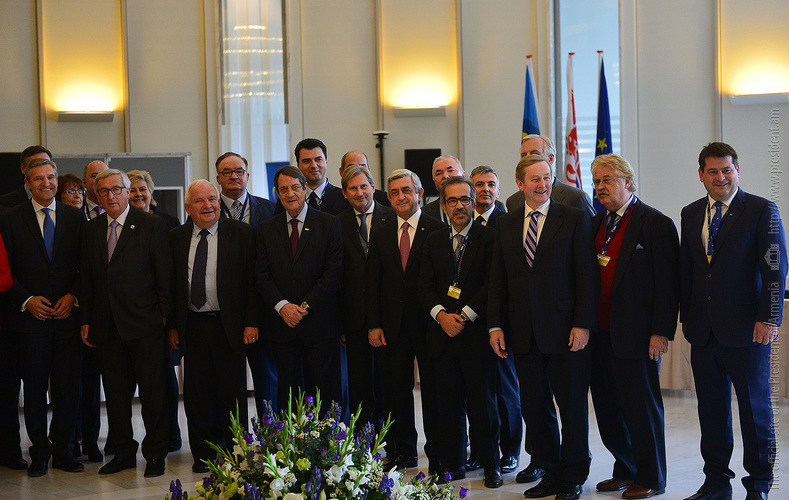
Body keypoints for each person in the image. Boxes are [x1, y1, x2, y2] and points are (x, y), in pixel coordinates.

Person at [680, 142, 787, 500]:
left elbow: (775, 270)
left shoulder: (761, 210)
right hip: (704, 332)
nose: (721, 177)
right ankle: (716, 483)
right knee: (711, 412)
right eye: (713, 171)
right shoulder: (690, 213)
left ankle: (758, 485)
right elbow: (688, 271)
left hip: (748, 331)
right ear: (701, 175)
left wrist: (769, 318)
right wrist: (685, 318)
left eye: (727, 170)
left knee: (755, 412)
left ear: (737, 171)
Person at [488, 154, 598, 500]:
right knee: (536, 409)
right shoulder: (506, 223)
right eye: (534, 179)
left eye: (547, 177)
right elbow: (498, 279)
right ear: (520, 184)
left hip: (566, 333)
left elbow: (587, 277)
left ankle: (573, 476)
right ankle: (549, 472)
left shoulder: (574, 217)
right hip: (523, 333)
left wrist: (582, 324)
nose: (542, 184)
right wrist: (495, 326)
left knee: (572, 408)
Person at [589, 154, 678, 499]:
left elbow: (668, 285)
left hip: (637, 336)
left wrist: (661, 332)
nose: (600, 187)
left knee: (641, 409)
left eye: (607, 180)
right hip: (599, 334)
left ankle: (652, 477)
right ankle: (625, 468)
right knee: (608, 408)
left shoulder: (655, 223)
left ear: (627, 181)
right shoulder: (595, 223)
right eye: (596, 181)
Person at [80, 168, 173, 477]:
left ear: (127, 191)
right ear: (97, 195)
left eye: (116, 189)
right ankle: (123, 453)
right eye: (103, 191)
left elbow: (165, 276)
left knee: (152, 395)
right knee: (117, 397)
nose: (111, 196)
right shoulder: (91, 229)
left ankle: (156, 455)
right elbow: (88, 279)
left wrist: (162, 316)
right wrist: (87, 320)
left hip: (145, 326)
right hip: (107, 328)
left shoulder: (150, 224)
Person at [0, 158, 84, 477]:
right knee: (35, 390)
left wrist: (73, 296)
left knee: (66, 388)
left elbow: (86, 266)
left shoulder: (75, 217)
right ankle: (39, 452)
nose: (46, 183)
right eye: (38, 178)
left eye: (50, 177)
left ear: (57, 180)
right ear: (27, 183)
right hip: (29, 321)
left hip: (67, 318)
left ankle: (63, 450)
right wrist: (26, 300)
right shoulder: (10, 219)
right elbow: (5, 269)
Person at [169, 180, 259, 474]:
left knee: (232, 393)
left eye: (211, 199)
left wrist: (251, 322)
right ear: (188, 208)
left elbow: (252, 283)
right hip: (193, 325)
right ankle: (203, 452)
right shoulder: (176, 237)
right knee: (197, 393)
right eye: (199, 201)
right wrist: (172, 326)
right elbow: (170, 286)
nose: (207, 205)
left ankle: (236, 451)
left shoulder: (242, 234)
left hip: (229, 325)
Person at [418, 176, 502, 488]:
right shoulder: (433, 239)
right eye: (452, 201)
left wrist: (464, 315)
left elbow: (493, 284)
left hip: (476, 336)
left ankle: (491, 465)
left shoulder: (490, 237)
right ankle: (453, 466)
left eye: (464, 199)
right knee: (448, 407)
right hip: (443, 337)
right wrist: (441, 316)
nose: (459, 206)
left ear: (473, 202)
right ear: (443, 206)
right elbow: (424, 286)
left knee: (484, 408)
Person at [366, 169, 445, 474]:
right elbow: (373, 283)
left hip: (429, 326)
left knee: (434, 393)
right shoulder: (381, 232)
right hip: (392, 328)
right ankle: (404, 451)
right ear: (388, 197)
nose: (401, 197)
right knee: (396, 393)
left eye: (407, 190)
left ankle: (437, 453)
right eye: (395, 192)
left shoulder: (437, 229)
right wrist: (374, 324)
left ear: (419, 193)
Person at [256, 166, 343, 411]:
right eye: (283, 189)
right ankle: (291, 436)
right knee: (288, 394)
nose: (290, 194)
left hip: (320, 324)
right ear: (276, 193)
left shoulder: (329, 224)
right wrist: (283, 307)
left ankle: (326, 435)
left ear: (305, 189)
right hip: (283, 326)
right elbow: (261, 274)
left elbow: (333, 272)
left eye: (295, 187)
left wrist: (304, 306)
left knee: (325, 392)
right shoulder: (265, 229)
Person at [464, 165, 520, 476]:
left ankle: (510, 450)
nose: (485, 189)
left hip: (501, 320)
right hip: (471, 324)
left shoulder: (508, 222)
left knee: (505, 389)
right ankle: (481, 450)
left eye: (490, 184)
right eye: (479, 184)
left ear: (499, 190)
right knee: (478, 392)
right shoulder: (464, 224)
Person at [214, 152, 277, 415]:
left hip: (264, 309)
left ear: (247, 175)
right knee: (227, 383)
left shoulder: (270, 209)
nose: (234, 176)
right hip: (222, 312)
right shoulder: (206, 209)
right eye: (227, 172)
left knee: (268, 379)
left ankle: (272, 432)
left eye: (239, 171)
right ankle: (234, 435)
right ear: (218, 178)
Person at [126, 169, 182, 452]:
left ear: (151, 192)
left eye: (143, 189)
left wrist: (167, 313)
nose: (138, 194)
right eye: (132, 190)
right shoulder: (120, 224)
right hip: (135, 315)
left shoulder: (169, 222)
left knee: (165, 377)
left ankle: (171, 434)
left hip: (163, 314)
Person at [337, 165, 394, 430]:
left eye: (363, 186)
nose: (359, 193)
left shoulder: (392, 218)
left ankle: (389, 437)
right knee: (359, 384)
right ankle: (362, 439)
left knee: (387, 382)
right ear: (345, 193)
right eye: (353, 188)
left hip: (388, 315)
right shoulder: (336, 224)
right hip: (354, 318)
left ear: (373, 187)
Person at [505, 135, 594, 217]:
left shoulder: (576, 198)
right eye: (524, 155)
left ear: (551, 159)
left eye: (534, 154)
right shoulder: (513, 202)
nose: (528, 158)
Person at [293, 138, 348, 216]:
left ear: (326, 162)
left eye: (318, 159)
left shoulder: (344, 198)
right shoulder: (290, 199)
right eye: (306, 161)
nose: (313, 165)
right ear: (298, 165)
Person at [423, 156, 465, 224]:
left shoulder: (478, 207)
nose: (445, 176)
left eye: (451, 170)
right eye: (439, 173)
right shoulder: (425, 213)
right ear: (434, 181)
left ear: (463, 175)